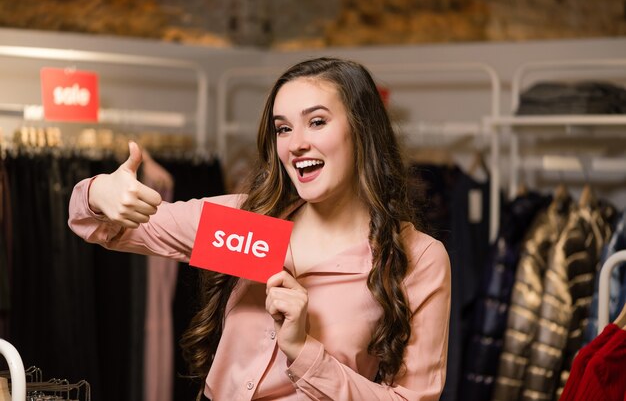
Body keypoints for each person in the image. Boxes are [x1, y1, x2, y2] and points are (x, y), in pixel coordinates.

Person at [68, 57, 451, 400]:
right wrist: (99, 192)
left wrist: (303, 350)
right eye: (283, 129)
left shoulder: (417, 257)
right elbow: (104, 228)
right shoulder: (250, 226)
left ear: (362, 132)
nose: (295, 144)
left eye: (317, 122)